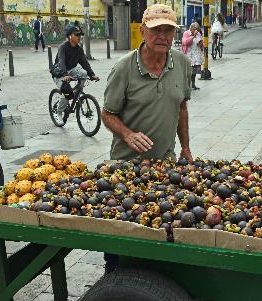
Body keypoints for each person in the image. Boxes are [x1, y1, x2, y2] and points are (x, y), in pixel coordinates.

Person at [101, 3, 192, 274]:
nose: (163, 36)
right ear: (142, 31)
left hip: (165, 165)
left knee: (161, 227)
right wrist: (127, 134)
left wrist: (186, 147)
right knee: (120, 231)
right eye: (156, 30)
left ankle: (154, 276)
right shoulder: (124, 68)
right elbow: (107, 114)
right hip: (126, 168)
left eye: (168, 30)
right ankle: (115, 277)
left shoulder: (183, 63)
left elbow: (182, 107)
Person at [51, 24, 99, 119]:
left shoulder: (78, 49)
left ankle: (77, 92)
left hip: (71, 70)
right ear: (69, 36)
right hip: (60, 72)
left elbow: (84, 63)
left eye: (80, 35)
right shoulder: (63, 47)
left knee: (84, 73)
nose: (79, 37)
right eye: (76, 35)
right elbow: (61, 62)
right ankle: (59, 112)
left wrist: (92, 75)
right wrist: (65, 75)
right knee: (67, 92)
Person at [182, 22, 203, 90]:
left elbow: (201, 45)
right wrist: (193, 36)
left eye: (197, 29)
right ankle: (187, 85)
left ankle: (193, 84)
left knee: (194, 72)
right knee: (188, 71)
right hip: (188, 54)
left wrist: (199, 40)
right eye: (195, 29)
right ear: (191, 28)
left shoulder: (198, 34)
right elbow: (185, 43)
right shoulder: (186, 33)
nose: (196, 30)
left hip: (196, 55)